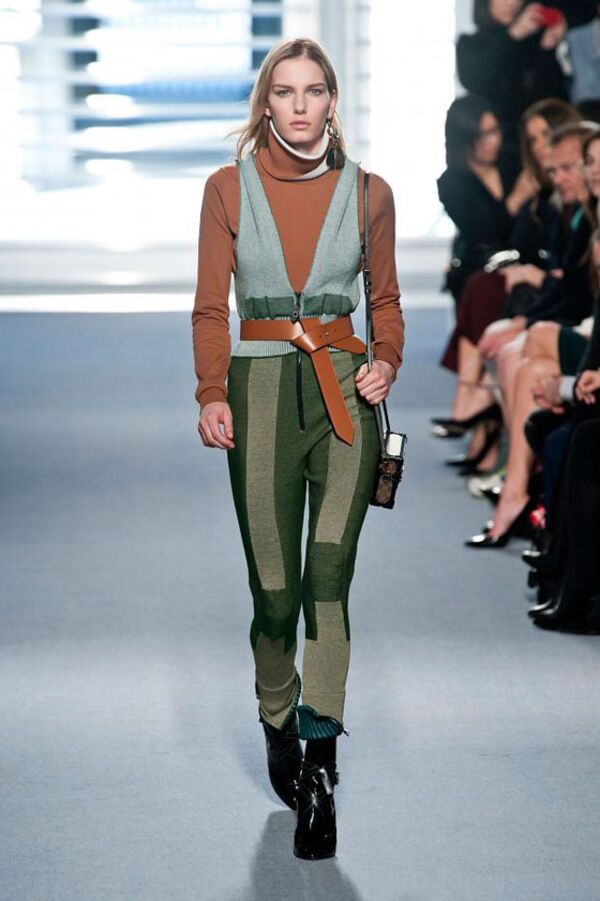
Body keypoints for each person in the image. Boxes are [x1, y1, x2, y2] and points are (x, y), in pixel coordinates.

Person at [190, 38, 404, 860]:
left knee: (328, 579)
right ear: (267, 104)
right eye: (286, 92)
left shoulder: (370, 192)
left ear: (332, 101)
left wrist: (386, 360)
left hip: (347, 393)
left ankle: (319, 760)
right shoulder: (227, 189)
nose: (302, 106)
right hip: (260, 393)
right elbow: (211, 306)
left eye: (315, 91)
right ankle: (276, 711)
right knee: (275, 593)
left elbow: (385, 299)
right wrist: (211, 391)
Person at [437, 94, 532, 305]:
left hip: (526, 269)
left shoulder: (513, 160)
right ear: (464, 139)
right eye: (482, 135)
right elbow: (483, 231)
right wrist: (517, 199)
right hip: (478, 273)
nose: (493, 140)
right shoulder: (451, 184)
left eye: (495, 130)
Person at [457, 1, 569, 144]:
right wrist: (513, 34)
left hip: (537, 138)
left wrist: (548, 49)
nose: (511, 2)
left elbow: (554, 98)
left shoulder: (533, 44)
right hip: (495, 141)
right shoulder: (471, 44)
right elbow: (474, 78)